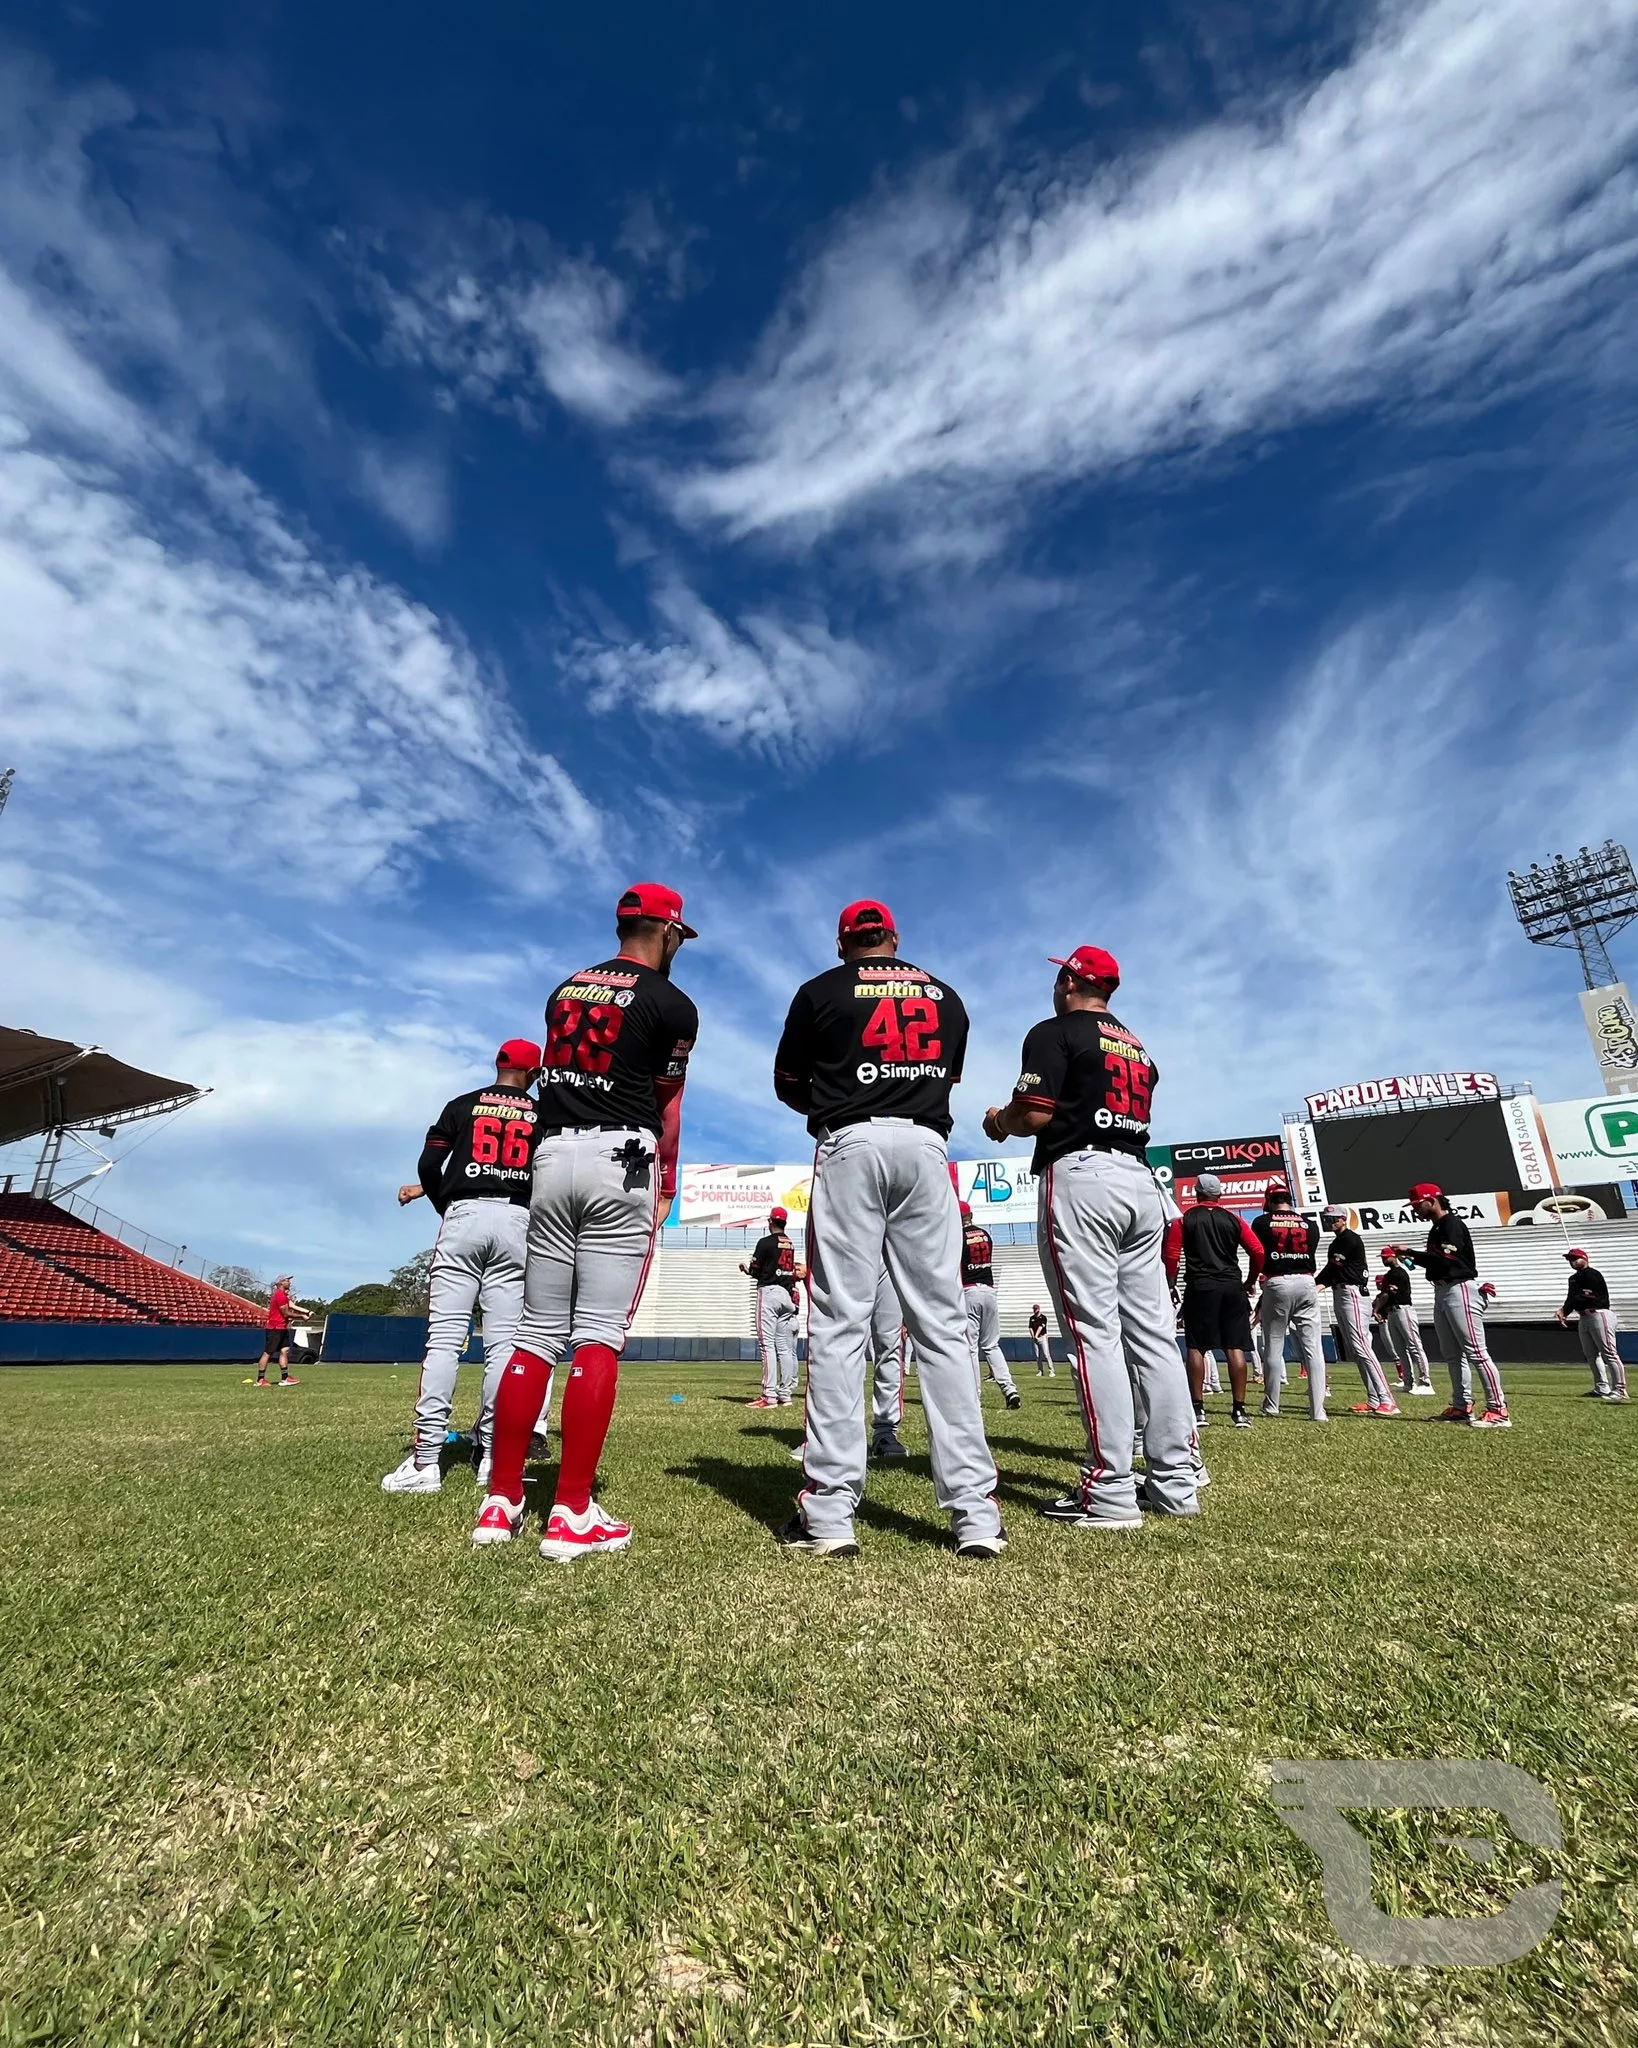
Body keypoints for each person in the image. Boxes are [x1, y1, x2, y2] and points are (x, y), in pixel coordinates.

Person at [772, 898, 1004, 1559]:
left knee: (841, 1323)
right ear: (895, 938)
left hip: (850, 1139)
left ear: (845, 944)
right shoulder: (946, 995)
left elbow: (789, 1083)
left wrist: (838, 1099)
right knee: (941, 1325)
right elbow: (946, 1076)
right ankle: (976, 1516)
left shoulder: (820, 990)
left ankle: (829, 1512)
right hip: (926, 1147)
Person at [472, 883, 699, 1556]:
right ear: (667, 930)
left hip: (551, 1153)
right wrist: (670, 1179)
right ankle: (571, 1512)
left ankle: (500, 1501)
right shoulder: (672, 1002)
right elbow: (666, 1102)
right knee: (597, 1336)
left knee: (535, 1334)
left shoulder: (566, 988)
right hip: (619, 1157)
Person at [983, 943, 1198, 1528]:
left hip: (1082, 1176)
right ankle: (1177, 1483)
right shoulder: (1138, 1046)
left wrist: (997, 1123)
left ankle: (1108, 1490)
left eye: (1061, 978)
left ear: (1070, 982)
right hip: (1139, 1177)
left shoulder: (1056, 1031)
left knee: (1092, 1335)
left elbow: (1032, 1112)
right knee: (1153, 1335)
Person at [381, 1041, 544, 1493]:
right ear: (534, 1072)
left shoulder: (462, 1104)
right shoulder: (542, 1115)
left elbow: (429, 1163)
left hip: (465, 1214)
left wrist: (442, 1206)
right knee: (504, 1348)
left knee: (446, 1340)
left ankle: (425, 1461)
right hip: (518, 1220)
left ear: (498, 1063)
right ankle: (492, 1455)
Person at [1400, 1184, 1509, 1426]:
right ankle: (1462, 1406)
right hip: (1443, 1289)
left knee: (1477, 1353)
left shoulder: (1451, 1224)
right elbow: (1437, 1262)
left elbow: (1446, 1258)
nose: (1415, 1209)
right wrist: (1411, 1257)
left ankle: (1498, 1409)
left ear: (1432, 1200)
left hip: (1459, 1288)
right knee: (1452, 1354)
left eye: (1418, 1204)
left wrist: (1411, 1252)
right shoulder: (1436, 1227)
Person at [1162, 1172, 1264, 1430]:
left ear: (1196, 1193)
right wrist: (1251, 1280)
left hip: (1200, 1286)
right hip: (1231, 1286)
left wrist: (1170, 1283)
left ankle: (1198, 1410)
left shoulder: (1184, 1220)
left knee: (1197, 1347)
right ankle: (1239, 1411)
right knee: (1234, 1347)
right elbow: (1258, 1251)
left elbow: (1172, 1253)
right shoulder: (1234, 1220)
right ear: (1219, 1194)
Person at [789, 1263, 911, 1464]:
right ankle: (829, 1435)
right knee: (840, 1341)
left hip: (890, 1252)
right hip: (849, 1247)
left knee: (889, 1345)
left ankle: (886, 1431)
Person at [1250, 1188, 1327, 1421]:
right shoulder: (1310, 1224)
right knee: (1314, 1349)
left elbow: (1259, 1251)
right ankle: (1318, 1411)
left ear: (1270, 1200)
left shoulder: (1262, 1222)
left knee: (1273, 1345)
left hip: (1277, 1281)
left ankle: (1272, 1405)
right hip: (1307, 1280)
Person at [1317, 1208, 1400, 1416]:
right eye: (1326, 1219)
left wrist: (1313, 1284)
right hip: (1342, 1292)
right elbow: (1332, 1271)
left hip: (1352, 1292)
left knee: (1362, 1347)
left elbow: (1333, 1268)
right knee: (1357, 1349)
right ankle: (1374, 1399)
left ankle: (1387, 1399)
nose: (1330, 1222)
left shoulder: (1349, 1239)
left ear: (1344, 1219)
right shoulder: (1337, 1241)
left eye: (1334, 1219)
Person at [959, 1203, 1022, 1409]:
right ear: (971, 1215)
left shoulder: (958, 1236)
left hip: (969, 1290)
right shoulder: (985, 1234)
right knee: (992, 1345)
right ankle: (1009, 1389)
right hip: (989, 1289)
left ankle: (974, 1397)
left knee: (971, 1349)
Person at [741, 1205, 803, 1408]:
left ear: (770, 1221)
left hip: (769, 1292)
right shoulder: (790, 1243)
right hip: (787, 1294)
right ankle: (785, 1394)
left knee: (767, 1345)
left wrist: (747, 1270)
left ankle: (769, 1395)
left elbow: (757, 1270)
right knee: (784, 1348)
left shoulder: (765, 1242)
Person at [1558, 1248, 1629, 1400]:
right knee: (1591, 1354)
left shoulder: (1592, 1274)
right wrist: (1564, 1311)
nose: (1572, 1261)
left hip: (1598, 1313)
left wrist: (1566, 1307)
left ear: (1585, 1258)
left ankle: (1620, 1389)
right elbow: (1571, 1298)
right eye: (1570, 1259)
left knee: (1609, 1353)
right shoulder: (1573, 1278)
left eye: (1575, 1258)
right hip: (1584, 1316)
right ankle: (1601, 1387)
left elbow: (1587, 1295)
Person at [1373, 1248, 1434, 1396]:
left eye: (1385, 1257)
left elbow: (1387, 1294)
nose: (1383, 1259)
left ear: (1393, 1257)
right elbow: (1384, 1294)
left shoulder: (1399, 1273)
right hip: (1392, 1312)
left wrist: (1376, 1309)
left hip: (1403, 1309)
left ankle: (1425, 1382)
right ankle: (1408, 1382)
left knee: (1414, 1346)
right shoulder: (1389, 1275)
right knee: (1400, 1349)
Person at [255, 1276, 306, 1386]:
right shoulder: (279, 1295)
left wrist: (304, 1312)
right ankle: (260, 1380)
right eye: (287, 1280)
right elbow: (286, 1313)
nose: (290, 1282)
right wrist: (302, 1316)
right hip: (275, 1328)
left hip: (282, 1328)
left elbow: (290, 1309)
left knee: (285, 1351)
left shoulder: (284, 1296)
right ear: (280, 1283)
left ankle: (285, 1378)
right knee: (268, 1352)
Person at [1028, 1303, 1054, 1376]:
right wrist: (1033, 1336)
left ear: (1039, 1309)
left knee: (1046, 1354)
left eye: (1036, 1309)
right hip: (1035, 1338)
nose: (1035, 1310)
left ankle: (1051, 1370)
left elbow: (1041, 1327)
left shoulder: (1043, 1318)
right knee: (1037, 1355)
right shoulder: (1032, 1318)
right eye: (1034, 1309)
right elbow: (1030, 1328)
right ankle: (1040, 1370)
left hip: (1042, 1336)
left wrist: (1036, 1336)